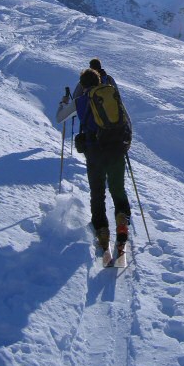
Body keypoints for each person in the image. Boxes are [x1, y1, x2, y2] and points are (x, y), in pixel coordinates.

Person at [56, 67, 132, 251]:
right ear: (99, 81)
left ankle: (102, 230)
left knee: (97, 193)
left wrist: (63, 102)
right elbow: (126, 121)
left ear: (82, 85)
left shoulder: (80, 101)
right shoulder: (112, 95)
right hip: (117, 149)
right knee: (118, 189)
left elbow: (60, 118)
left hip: (95, 153)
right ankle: (122, 218)